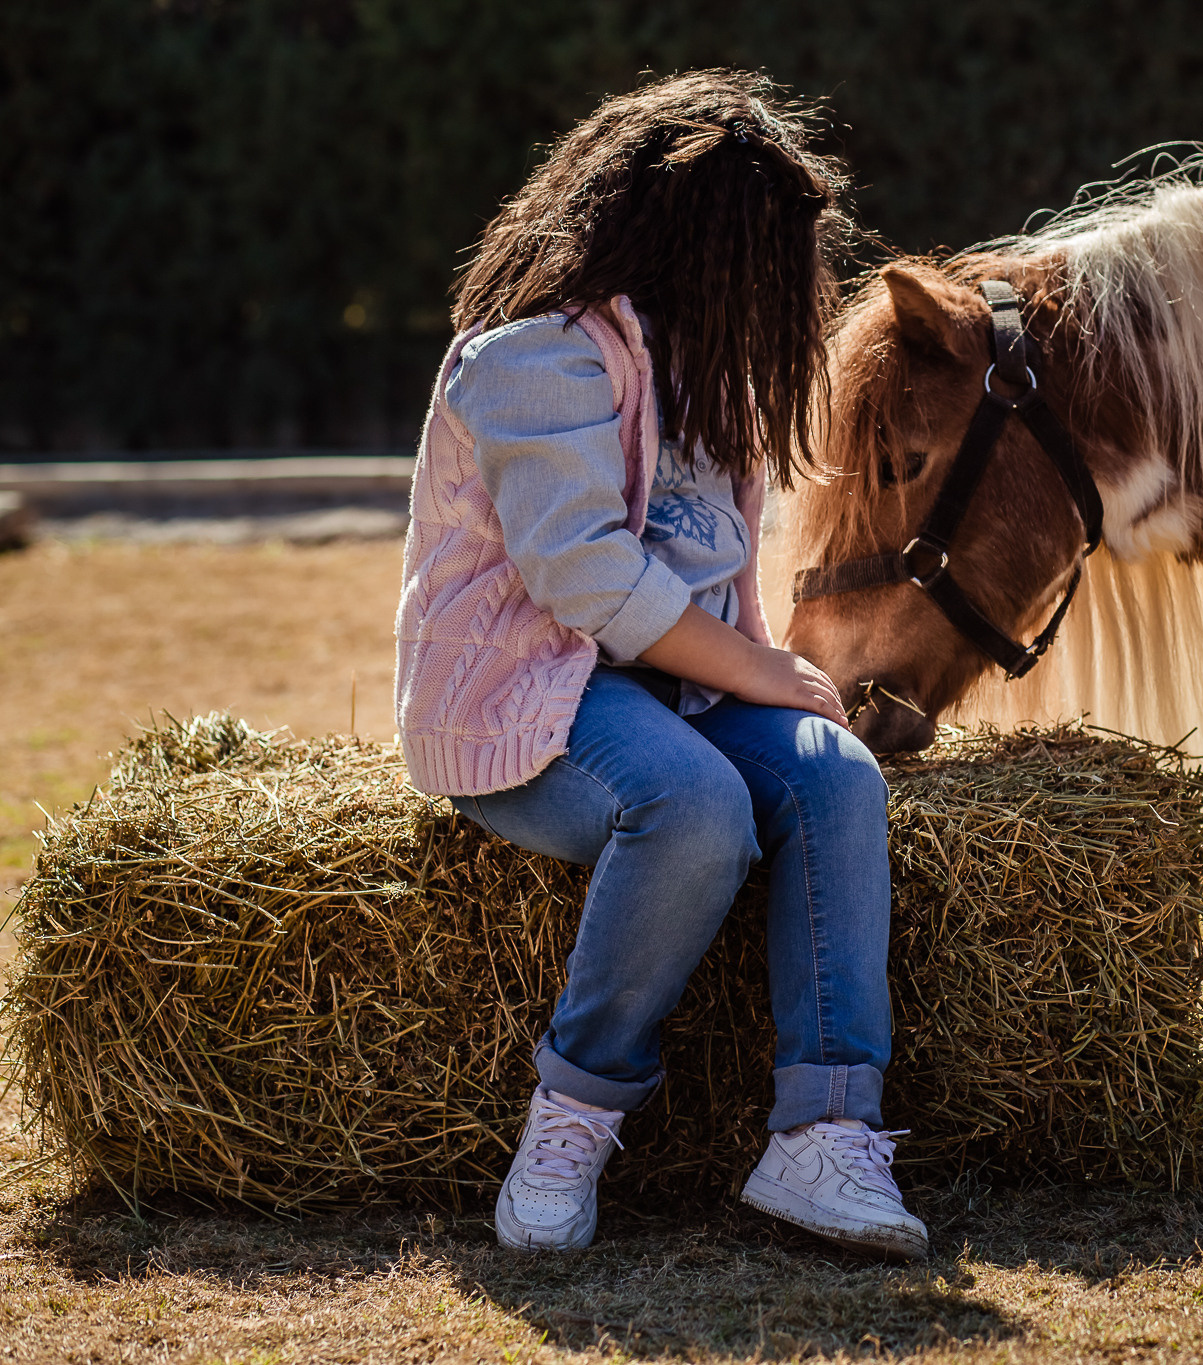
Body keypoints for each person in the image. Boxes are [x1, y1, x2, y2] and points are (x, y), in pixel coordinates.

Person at [392, 71, 923, 1260]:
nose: (795, 286)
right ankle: (572, 1115)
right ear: (695, 240)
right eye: (771, 255)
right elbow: (580, 575)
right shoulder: (532, 357)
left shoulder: (705, 364)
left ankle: (821, 1136)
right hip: (532, 698)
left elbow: (709, 553)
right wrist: (752, 668)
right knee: (691, 811)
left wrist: (757, 667)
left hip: (670, 686)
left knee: (832, 777)